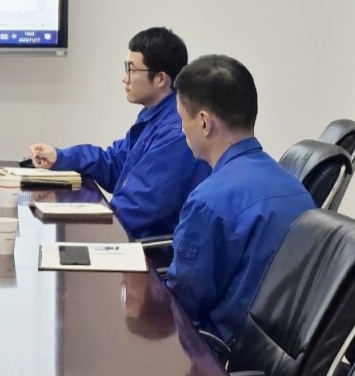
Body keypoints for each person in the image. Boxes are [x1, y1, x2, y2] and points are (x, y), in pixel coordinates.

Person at [166, 54, 315, 343]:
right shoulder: (295, 188)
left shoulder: (207, 202)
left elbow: (182, 305)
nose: (181, 129)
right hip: (276, 350)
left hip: (219, 354)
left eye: (182, 119)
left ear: (204, 122)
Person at [28, 27, 210, 239]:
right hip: (132, 235)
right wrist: (60, 157)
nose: (125, 78)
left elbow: (136, 208)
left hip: (151, 250)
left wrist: (73, 214)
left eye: (131, 69)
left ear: (161, 78)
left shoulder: (176, 133)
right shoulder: (155, 116)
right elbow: (115, 164)